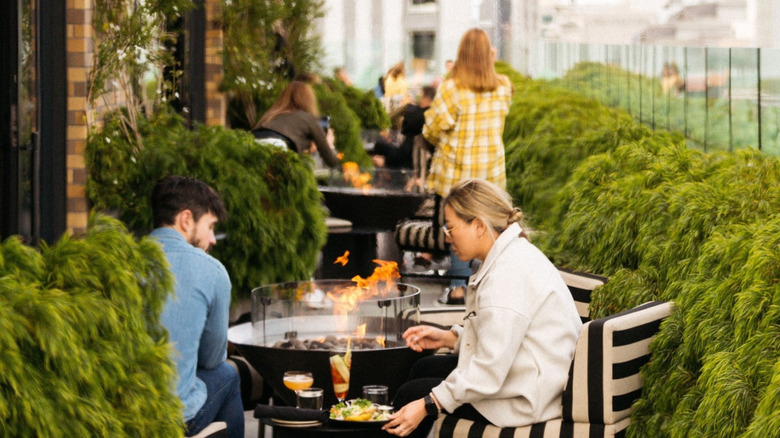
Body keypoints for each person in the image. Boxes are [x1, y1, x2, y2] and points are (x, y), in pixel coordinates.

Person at [382, 178, 582, 438]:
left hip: (529, 396)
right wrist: (450, 337)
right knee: (425, 368)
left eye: (451, 227)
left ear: (478, 226)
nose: (446, 235)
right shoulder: (510, 255)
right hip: (524, 373)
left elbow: (489, 369)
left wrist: (428, 404)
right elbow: (505, 338)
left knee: (414, 394)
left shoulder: (506, 274)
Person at [422, 28, 514, 304]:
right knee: (489, 229)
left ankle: (459, 287)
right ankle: (492, 287)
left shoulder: (452, 88)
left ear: (461, 55)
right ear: (489, 55)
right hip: (491, 173)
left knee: (460, 225)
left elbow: (432, 129)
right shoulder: (503, 86)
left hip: (458, 172)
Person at [150, 175, 244, 438]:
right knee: (228, 374)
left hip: (120, 416)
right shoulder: (211, 270)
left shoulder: (120, 263)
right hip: (172, 421)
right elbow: (213, 358)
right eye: (211, 226)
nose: (213, 239)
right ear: (186, 219)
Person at [252, 80, 340, 168]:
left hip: (253, 144)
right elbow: (331, 161)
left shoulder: (271, 115)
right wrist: (329, 144)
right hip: (277, 147)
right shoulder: (309, 119)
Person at [371, 85, 436, 169]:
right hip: (408, 156)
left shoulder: (420, 116)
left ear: (428, 99)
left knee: (379, 147)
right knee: (380, 146)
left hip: (410, 161)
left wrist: (386, 161)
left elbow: (406, 151)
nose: (419, 99)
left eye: (421, 96)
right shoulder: (423, 115)